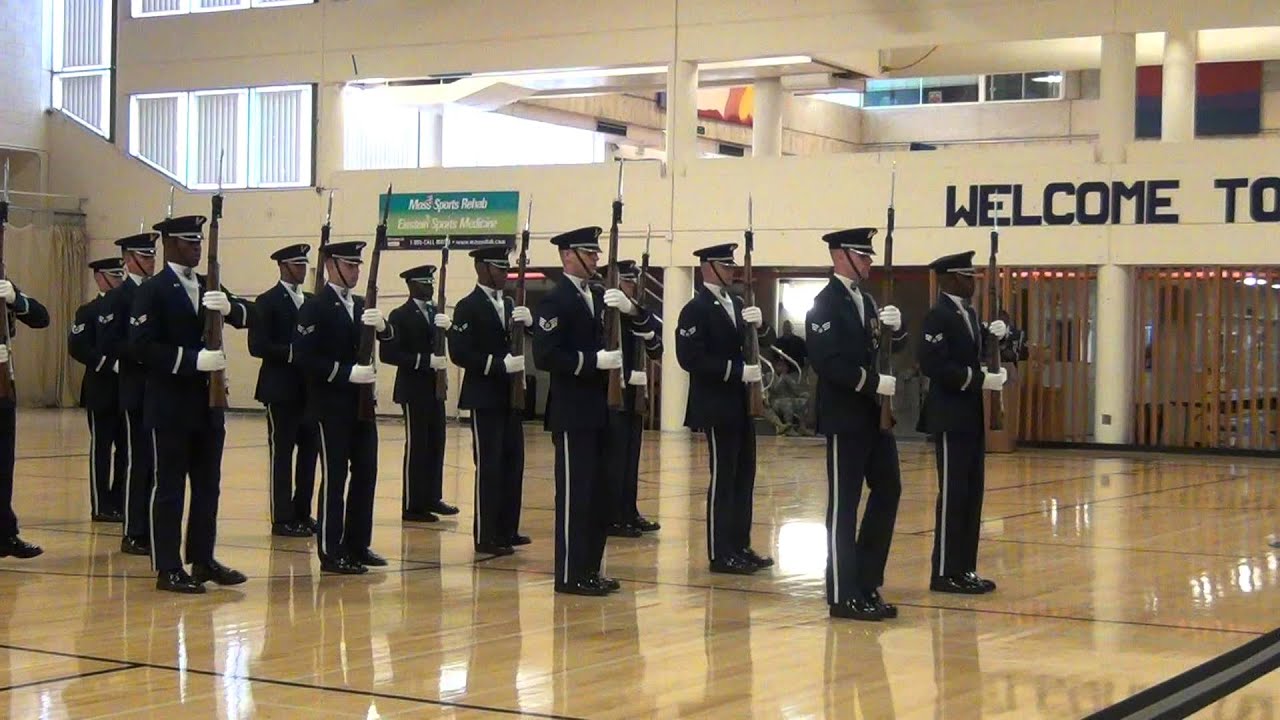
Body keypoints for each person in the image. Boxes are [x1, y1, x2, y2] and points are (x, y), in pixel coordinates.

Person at [130, 214, 252, 593]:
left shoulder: (206, 284)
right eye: (188, 241)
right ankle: (168, 566)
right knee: (169, 487)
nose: (196, 247)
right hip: (170, 404)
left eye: (199, 241)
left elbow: (251, 316)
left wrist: (233, 309)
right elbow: (140, 347)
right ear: (169, 244)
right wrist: (190, 359)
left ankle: (202, 558)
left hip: (208, 405)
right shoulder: (153, 289)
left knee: (207, 486)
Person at [533, 226, 647, 595]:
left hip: (602, 411)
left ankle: (590, 569)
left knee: (599, 496)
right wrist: (591, 361)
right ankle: (570, 574)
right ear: (568, 256)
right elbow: (546, 355)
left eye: (596, 252)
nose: (596, 258)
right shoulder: (555, 300)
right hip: (573, 412)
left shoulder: (598, 295)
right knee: (575, 496)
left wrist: (630, 309)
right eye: (589, 252)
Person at [805, 227, 907, 621]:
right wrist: (871, 383)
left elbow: (880, 349)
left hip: (873, 418)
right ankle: (842, 592)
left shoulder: (865, 300)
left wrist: (898, 331)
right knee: (844, 506)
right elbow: (827, 362)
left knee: (889, 489)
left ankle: (866, 580)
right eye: (863, 256)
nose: (868, 262)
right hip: (845, 417)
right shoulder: (824, 303)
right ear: (841, 256)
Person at [293, 240, 395, 575]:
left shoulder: (361, 305)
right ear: (331, 265)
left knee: (366, 473)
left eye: (357, 265)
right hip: (330, 406)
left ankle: (357, 543)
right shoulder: (315, 306)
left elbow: (389, 341)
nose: (355, 271)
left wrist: (384, 327)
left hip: (362, 406)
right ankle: (330, 549)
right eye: (350, 265)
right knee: (335, 478)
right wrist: (345, 373)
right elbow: (306, 359)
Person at [675, 243, 775, 575]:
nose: (732, 270)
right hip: (717, 404)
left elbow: (764, 344)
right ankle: (721, 552)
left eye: (732, 265)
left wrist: (762, 328)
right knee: (724, 477)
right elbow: (689, 358)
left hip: (743, 404)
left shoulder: (738, 304)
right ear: (708, 267)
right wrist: (735, 370)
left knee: (744, 475)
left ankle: (739, 545)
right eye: (725, 265)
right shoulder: (695, 309)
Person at [917, 250, 1009, 595]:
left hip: (970, 416)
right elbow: (934, 365)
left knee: (972, 496)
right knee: (954, 495)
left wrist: (997, 335)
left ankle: (964, 568)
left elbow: (977, 352)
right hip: (949, 415)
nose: (972, 283)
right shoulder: (937, 316)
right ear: (950, 279)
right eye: (967, 277)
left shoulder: (968, 314)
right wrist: (978, 379)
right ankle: (943, 572)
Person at [448, 247, 532, 556]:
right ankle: (486, 535)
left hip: (510, 396)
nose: (505, 273)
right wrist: (498, 365)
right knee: (490, 466)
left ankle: (507, 529)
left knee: (514, 464)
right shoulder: (468, 306)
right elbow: (459, 352)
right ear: (482, 269)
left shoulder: (509, 303)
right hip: (484, 396)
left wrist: (530, 322)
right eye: (499, 268)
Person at [380, 264, 459, 523]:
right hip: (413, 389)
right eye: (425, 283)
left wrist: (450, 327)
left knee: (437, 443)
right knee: (418, 446)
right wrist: (425, 361)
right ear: (412, 285)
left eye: (431, 283)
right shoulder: (400, 315)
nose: (430, 287)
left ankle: (432, 497)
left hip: (436, 387)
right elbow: (389, 354)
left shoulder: (436, 313)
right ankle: (413, 505)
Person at [249, 243, 318, 538]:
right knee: (282, 453)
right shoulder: (266, 301)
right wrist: (293, 353)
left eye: (304, 265)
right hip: (280, 389)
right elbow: (258, 346)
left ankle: (303, 511)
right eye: (296, 265)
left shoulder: (313, 301)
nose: (301, 270)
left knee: (309, 454)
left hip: (310, 391)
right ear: (283, 267)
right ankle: (282, 516)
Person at [97, 232, 157, 556]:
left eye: (152, 255)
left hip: (160, 391)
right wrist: (142, 352)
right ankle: (134, 531)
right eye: (145, 256)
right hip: (135, 389)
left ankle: (150, 525)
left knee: (158, 465)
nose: (151, 260)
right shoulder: (118, 298)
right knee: (138, 461)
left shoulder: (156, 291)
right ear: (129, 259)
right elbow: (108, 344)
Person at [605, 259, 662, 538]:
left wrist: (644, 327)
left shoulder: (636, 312)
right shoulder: (606, 311)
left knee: (631, 456)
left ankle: (629, 510)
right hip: (612, 394)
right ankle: (612, 514)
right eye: (628, 281)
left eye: (634, 281)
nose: (633, 286)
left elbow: (657, 347)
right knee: (614, 458)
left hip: (635, 393)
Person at [68, 257, 127, 522]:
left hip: (127, 388)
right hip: (101, 388)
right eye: (114, 276)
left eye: (120, 275)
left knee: (127, 449)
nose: (119, 280)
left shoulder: (130, 306)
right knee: (102, 448)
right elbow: (77, 347)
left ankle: (120, 500)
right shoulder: (88, 311)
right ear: (99, 277)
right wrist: (107, 364)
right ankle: (100, 504)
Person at [0, 275, 50, 558]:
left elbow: (41, 317)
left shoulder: (4, 284)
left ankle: (4, 534)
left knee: (3, 464)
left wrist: (16, 300)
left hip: (3, 385)